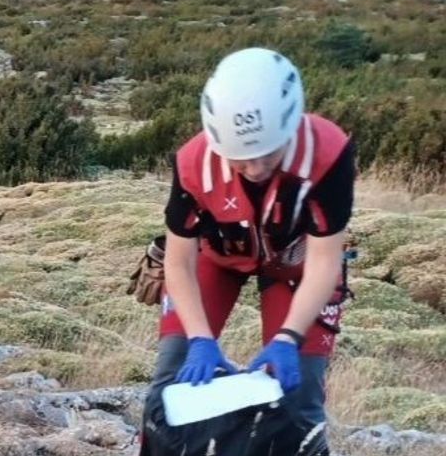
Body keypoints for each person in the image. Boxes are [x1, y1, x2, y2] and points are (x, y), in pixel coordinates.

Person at [147, 47, 356, 427]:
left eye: (268, 154)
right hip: (218, 256)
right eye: (240, 158)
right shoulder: (194, 162)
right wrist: (199, 339)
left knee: (301, 389)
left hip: (297, 264)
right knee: (172, 371)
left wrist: (289, 337)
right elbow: (178, 261)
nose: (255, 169)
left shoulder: (329, 152)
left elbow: (326, 261)